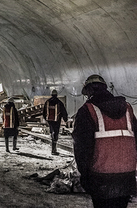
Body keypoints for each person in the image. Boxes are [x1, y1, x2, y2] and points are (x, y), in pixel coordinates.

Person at [72, 74, 137, 208]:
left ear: (89, 91)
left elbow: (82, 148)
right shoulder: (127, 109)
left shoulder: (87, 111)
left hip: (101, 177)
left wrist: (85, 176)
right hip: (127, 176)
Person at [42, 89, 68, 154]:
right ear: (56, 95)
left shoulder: (47, 102)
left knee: (52, 132)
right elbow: (63, 111)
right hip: (57, 120)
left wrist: (46, 119)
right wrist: (65, 119)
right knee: (56, 133)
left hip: (50, 120)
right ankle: (54, 149)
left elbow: (44, 112)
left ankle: (53, 147)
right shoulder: (59, 102)